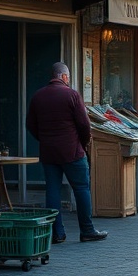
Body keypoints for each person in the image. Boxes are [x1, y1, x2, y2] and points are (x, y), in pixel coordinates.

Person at [27, 62, 108, 243]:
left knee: (53, 191)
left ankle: (57, 233)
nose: (68, 80)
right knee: (81, 189)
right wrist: (84, 143)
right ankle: (87, 230)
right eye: (68, 77)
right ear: (63, 76)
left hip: (49, 152)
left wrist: (45, 139)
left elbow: (30, 125)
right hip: (72, 151)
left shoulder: (38, 96)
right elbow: (84, 124)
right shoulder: (72, 95)